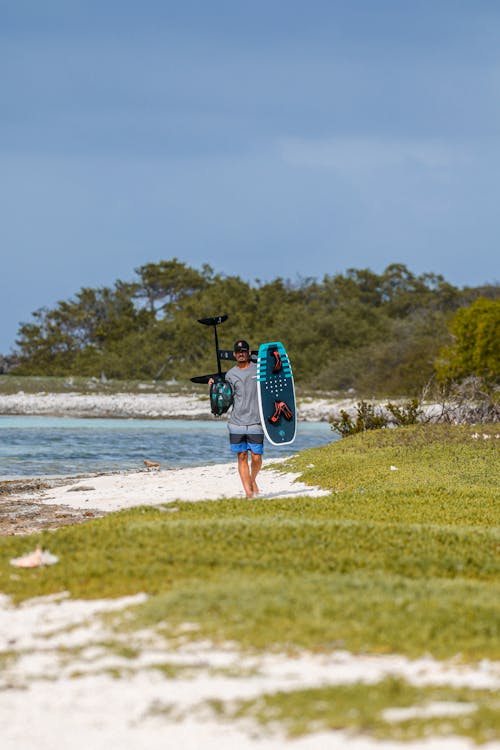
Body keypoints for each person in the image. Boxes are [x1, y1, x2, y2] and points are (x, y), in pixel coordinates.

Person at [210, 339, 263, 498]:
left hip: (256, 421)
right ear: (234, 354)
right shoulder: (230, 374)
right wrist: (214, 388)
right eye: (238, 352)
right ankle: (248, 493)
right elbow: (225, 397)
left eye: (244, 351)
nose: (241, 354)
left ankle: (252, 480)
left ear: (248, 352)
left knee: (256, 457)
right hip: (236, 422)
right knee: (242, 456)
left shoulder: (259, 370)